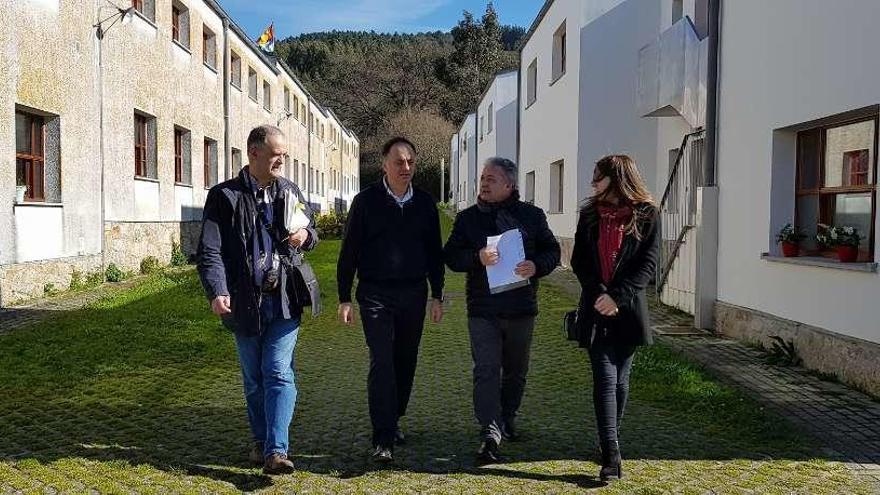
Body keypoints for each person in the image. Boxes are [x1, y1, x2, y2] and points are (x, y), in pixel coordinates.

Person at [197, 125, 318, 475]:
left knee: (278, 371)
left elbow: (313, 234)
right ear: (253, 153)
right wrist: (218, 290)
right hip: (244, 301)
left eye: (284, 154)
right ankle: (261, 440)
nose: (282, 160)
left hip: (284, 299)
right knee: (254, 379)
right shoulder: (225, 196)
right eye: (276, 154)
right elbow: (210, 250)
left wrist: (304, 236)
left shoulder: (289, 191)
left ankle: (276, 451)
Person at [443, 157, 560, 464]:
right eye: (483, 177)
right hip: (483, 309)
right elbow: (452, 256)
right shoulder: (468, 219)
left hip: (521, 307)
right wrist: (476, 257)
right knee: (485, 370)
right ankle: (490, 432)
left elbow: (552, 251)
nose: (484, 183)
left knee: (516, 372)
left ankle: (507, 418)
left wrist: (536, 266)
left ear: (510, 185)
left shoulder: (531, 216)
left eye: (491, 179)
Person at [336, 137, 445, 463]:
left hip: (413, 294)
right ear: (384, 165)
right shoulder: (366, 202)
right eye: (399, 162)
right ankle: (382, 438)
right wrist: (344, 298)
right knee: (382, 362)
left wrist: (437, 294)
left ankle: (394, 417)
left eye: (411, 161)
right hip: (375, 295)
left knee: (405, 361)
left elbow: (434, 253)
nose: (406, 168)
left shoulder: (425, 203)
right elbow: (349, 252)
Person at [569, 154, 660, 481]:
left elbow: (647, 265)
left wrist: (617, 297)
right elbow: (579, 260)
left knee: (621, 381)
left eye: (598, 177)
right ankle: (611, 455)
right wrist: (599, 294)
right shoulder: (589, 214)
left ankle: (611, 438)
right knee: (605, 379)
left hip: (628, 311)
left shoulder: (647, 214)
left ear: (618, 178)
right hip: (596, 308)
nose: (592, 183)